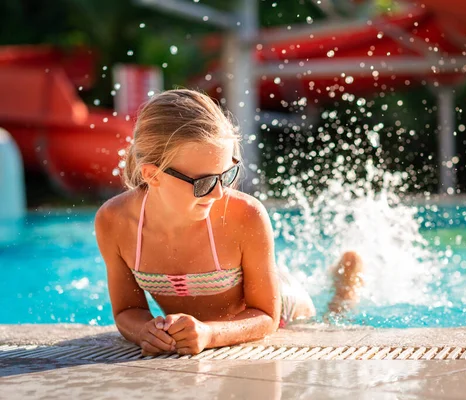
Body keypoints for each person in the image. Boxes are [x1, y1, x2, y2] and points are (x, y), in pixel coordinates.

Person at [94, 89, 363, 356]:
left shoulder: (245, 215)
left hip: (285, 310)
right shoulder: (115, 222)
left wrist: (210, 334)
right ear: (153, 176)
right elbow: (128, 310)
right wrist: (144, 331)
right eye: (204, 182)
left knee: (330, 325)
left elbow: (267, 316)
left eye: (227, 174)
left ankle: (345, 288)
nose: (219, 193)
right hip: (205, 326)